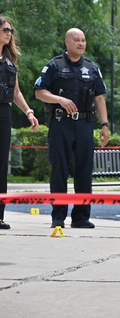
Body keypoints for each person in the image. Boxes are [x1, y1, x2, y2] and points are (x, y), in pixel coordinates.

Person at [34, 28, 110, 229]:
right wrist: (59, 99)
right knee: (60, 170)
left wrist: (105, 125)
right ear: (67, 42)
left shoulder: (92, 68)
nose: (81, 43)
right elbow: (39, 92)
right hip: (61, 124)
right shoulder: (54, 65)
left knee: (85, 171)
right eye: (76, 40)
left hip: (85, 124)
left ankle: (81, 217)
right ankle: (58, 217)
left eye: (83, 40)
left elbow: (100, 98)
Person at [0, 16, 40, 229]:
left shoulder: (10, 60)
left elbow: (16, 92)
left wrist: (29, 112)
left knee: (1, 165)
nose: (9, 33)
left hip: (4, 113)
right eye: (6, 29)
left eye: (11, 30)